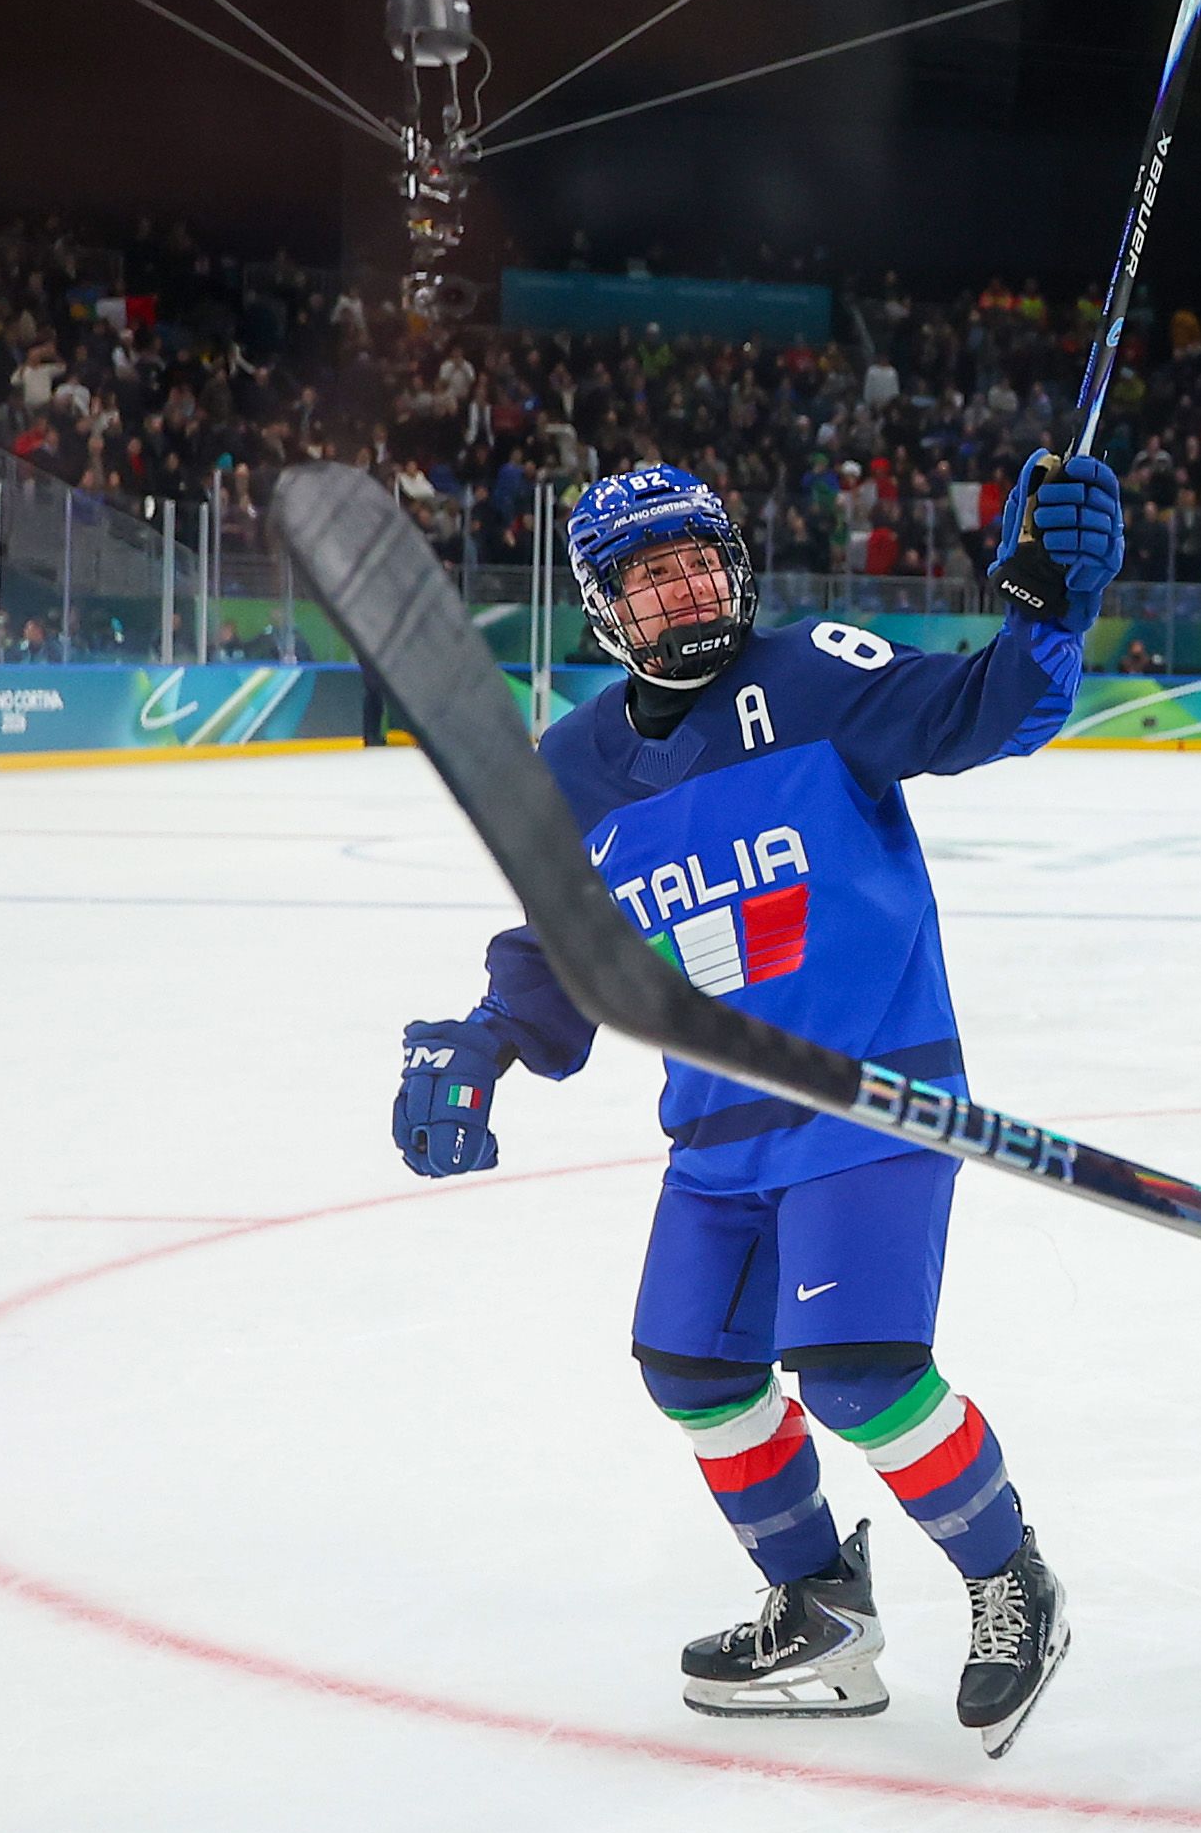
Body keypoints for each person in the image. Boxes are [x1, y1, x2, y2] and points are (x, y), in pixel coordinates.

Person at [385, 450, 1122, 1751]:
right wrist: (488, 1042)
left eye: (702, 559)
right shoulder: (572, 767)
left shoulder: (818, 674)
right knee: (696, 1369)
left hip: (873, 1101)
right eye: (653, 574)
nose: (689, 587)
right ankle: (820, 1611)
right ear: (606, 609)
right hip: (718, 1130)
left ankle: (1013, 1582)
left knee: (857, 1373)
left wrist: (1051, 611)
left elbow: (978, 712)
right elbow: (566, 948)